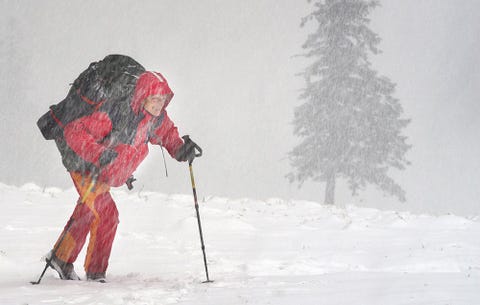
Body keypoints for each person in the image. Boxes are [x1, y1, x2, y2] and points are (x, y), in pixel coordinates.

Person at [46, 71, 199, 283]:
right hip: (85, 168)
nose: (159, 104)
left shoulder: (155, 118)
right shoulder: (116, 113)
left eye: (162, 100)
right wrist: (99, 154)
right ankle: (96, 274)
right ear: (143, 96)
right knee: (107, 215)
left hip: (104, 171)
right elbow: (74, 131)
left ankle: (61, 259)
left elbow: (168, 135)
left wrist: (182, 150)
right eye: (155, 99)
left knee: (90, 212)